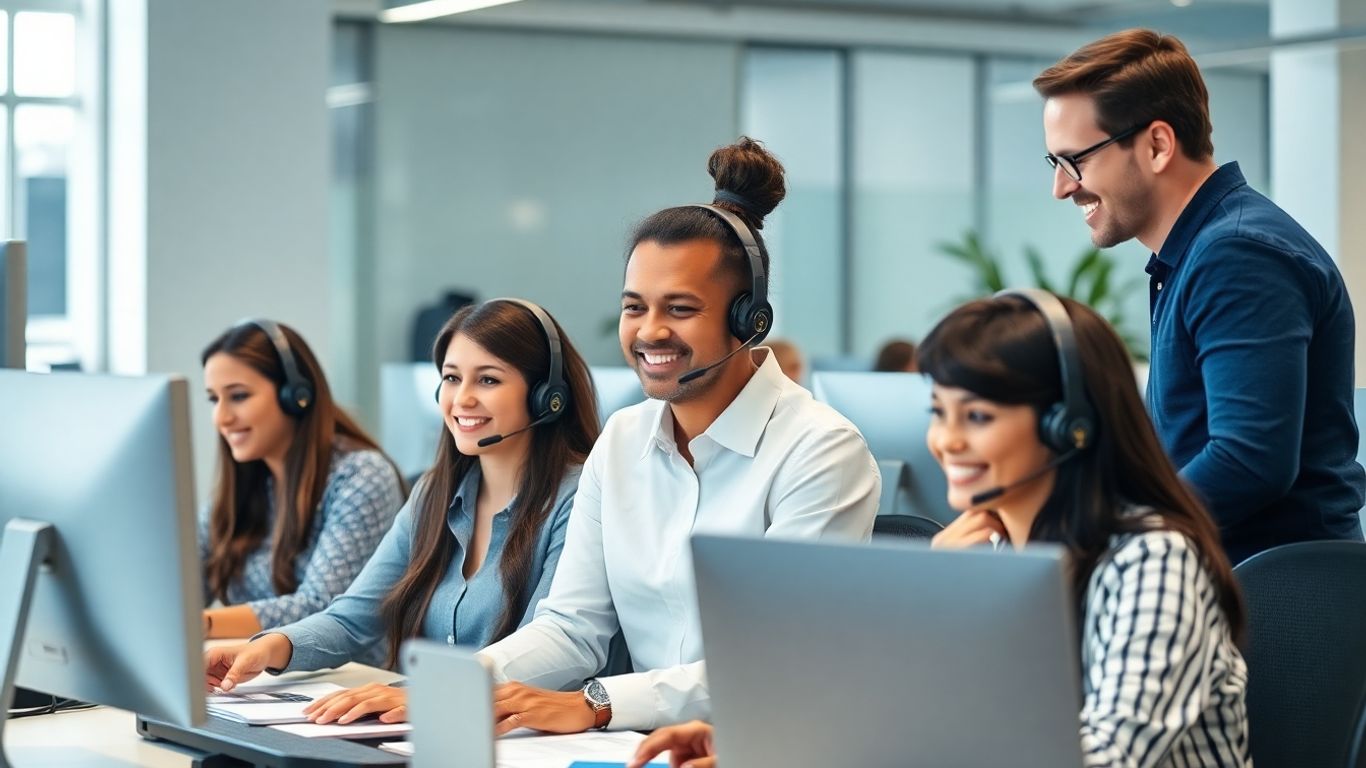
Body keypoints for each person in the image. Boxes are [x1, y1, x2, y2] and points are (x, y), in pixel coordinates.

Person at [632, 291, 1250, 768]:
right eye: (939, 413)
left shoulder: (1151, 560)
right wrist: (762, 745)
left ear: (1071, 426)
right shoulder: (995, 550)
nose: (947, 442)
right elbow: (916, 713)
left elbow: (1104, 758)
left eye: (977, 416)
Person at [478, 137, 880, 735]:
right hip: (637, 746)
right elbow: (570, 626)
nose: (650, 332)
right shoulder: (621, 440)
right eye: (634, 307)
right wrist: (459, 686)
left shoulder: (820, 450)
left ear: (750, 320)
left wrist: (597, 703)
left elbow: (773, 661)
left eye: (681, 309)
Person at [1035, 28, 1363, 563]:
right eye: (1056, 165)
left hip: (1273, 599)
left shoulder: (1237, 255)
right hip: (1226, 577)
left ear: (1158, 145)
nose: (1063, 187)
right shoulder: (1198, 252)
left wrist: (1106, 534)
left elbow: (1247, 460)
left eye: (1076, 161)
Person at [203, 300, 599, 727]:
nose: (461, 399)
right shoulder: (434, 493)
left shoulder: (577, 498)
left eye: (487, 379)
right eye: (451, 378)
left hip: (524, 738)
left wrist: (426, 692)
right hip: (425, 728)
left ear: (547, 398)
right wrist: (268, 648)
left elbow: (551, 646)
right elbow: (354, 616)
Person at [200, 319, 406, 639]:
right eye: (214, 399)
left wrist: (203, 624)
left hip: (352, 679)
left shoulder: (361, 475)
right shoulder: (243, 485)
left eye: (238, 396)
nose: (221, 418)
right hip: (256, 678)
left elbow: (323, 607)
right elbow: (183, 588)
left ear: (296, 395)